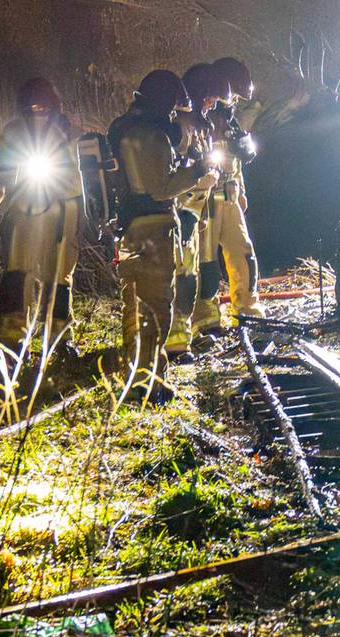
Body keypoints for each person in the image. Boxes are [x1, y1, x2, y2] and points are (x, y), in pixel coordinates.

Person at [107, 69, 219, 402]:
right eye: (172, 109)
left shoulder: (123, 130)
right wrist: (197, 171)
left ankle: (138, 373)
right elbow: (162, 187)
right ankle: (149, 381)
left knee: (133, 303)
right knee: (157, 305)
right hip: (155, 228)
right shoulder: (151, 135)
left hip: (127, 229)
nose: (172, 116)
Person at [0, 78, 82, 355]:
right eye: (33, 106)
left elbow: (84, 175)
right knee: (17, 273)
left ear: (53, 105)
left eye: (43, 106)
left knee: (59, 277)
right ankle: (11, 340)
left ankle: (59, 338)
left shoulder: (70, 132)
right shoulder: (14, 132)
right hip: (24, 209)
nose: (39, 111)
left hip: (63, 213)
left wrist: (91, 209)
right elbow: (1, 174)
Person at [188, 56, 264, 335]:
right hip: (205, 200)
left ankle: (247, 310)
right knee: (205, 261)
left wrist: (241, 191)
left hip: (230, 198)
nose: (233, 104)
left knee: (243, 255)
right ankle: (205, 318)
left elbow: (237, 161)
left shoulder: (230, 122)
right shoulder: (200, 120)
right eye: (231, 99)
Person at [164, 63, 226, 364]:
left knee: (196, 272)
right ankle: (175, 342)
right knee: (184, 274)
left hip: (198, 207)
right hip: (184, 208)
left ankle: (188, 330)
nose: (212, 105)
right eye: (209, 99)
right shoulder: (181, 129)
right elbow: (175, 172)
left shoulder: (202, 127)